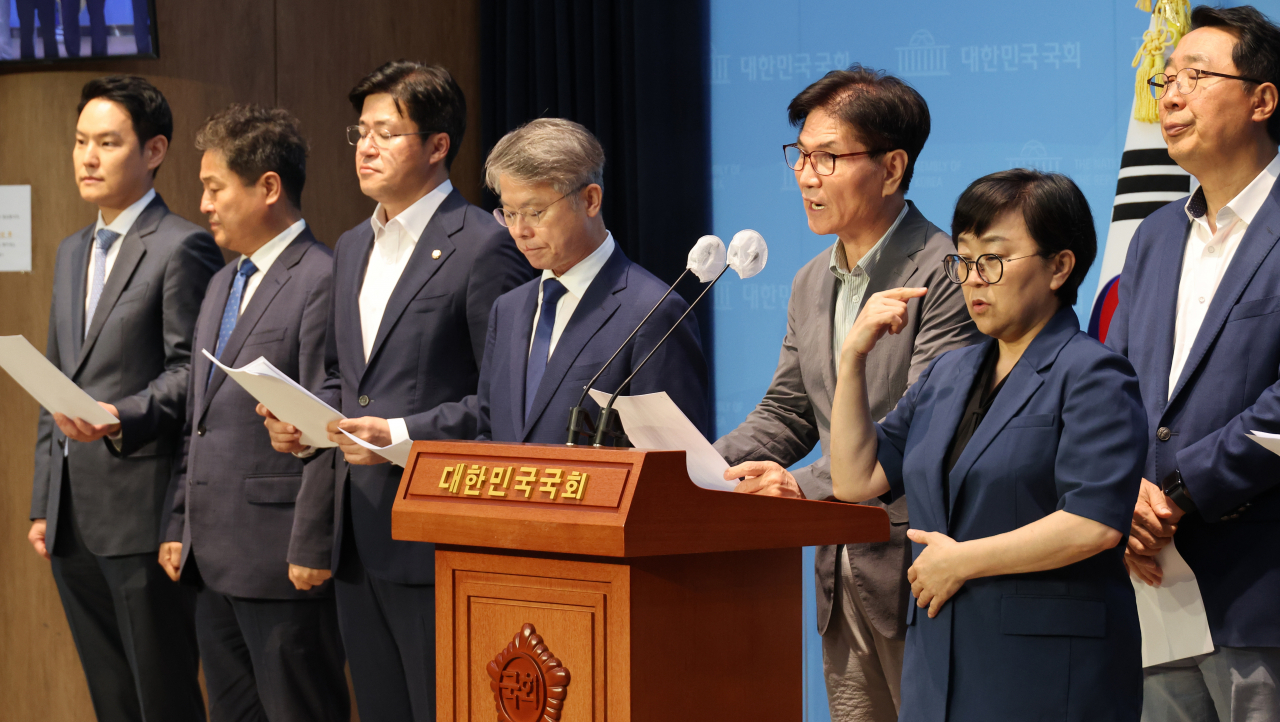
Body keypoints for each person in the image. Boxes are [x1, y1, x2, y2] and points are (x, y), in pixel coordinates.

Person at [260, 61, 534, 722]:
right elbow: (340, 376)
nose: (366, 147)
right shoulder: (353, 244)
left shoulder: (482, 246)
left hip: (436, 533)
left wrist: (403, 436)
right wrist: (306, 425)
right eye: (360, 132)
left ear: (437, 146)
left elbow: (503, 404)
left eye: (386, 132)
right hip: (358, 536)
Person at [827, 169, 1147, 721]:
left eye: (992, 260)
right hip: (939, 665)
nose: (973, 279)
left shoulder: (1093, 373)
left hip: (1045, 674)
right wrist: (852, 359)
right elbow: (856, 480)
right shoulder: (949, 372)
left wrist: (963, 562)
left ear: (1059, 266)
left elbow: (1093, 523)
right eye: (964, 259)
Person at [713, 66, 979, 721]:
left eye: (828, 157)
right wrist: (696, 465)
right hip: (838, 572)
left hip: (919, 571)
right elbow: (788, 410)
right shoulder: (810, 280)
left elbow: (923, 428)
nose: (806, 175)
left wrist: (798, 487)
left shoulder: (945, 273)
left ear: (892, 168)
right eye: (800, 156)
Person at [27, 75, 222, 722]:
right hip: (70, 519)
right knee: (111, 698)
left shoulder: (182, 245)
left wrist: (120, 416)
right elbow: (55, 378)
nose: (87, 157)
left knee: (161, 696)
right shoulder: (70, 249)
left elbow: (191, 373)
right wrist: (41, 504)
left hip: (143, 513)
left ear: (155, 150)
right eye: (81, 141)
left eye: (107, 143)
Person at [1108, 5, 1280, 719]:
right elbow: (1109, 391)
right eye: (1165, 76)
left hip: (1260, 597)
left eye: (1195, 77)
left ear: (1263, 99)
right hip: (1154, 593)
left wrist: (1179, 490)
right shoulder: (1152, 239)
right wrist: (1120, 497)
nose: (1169, 95)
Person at [158, 104, 348, 722]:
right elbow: (200, 417)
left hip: (282, 560)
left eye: (215, 188)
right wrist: (178, 523)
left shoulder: (322, 277)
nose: (204, 204)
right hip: (213, 557)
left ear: (268, 186)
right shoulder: (222, 281)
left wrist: (312, 544)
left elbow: (328, 422)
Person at [424, 117, 709, 443]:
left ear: (590, 200)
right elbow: (489, 433)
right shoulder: (508, 309)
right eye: (509, 213)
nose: (519, 231)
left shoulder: (654, 312)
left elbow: (671, 465)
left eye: (534, 213)